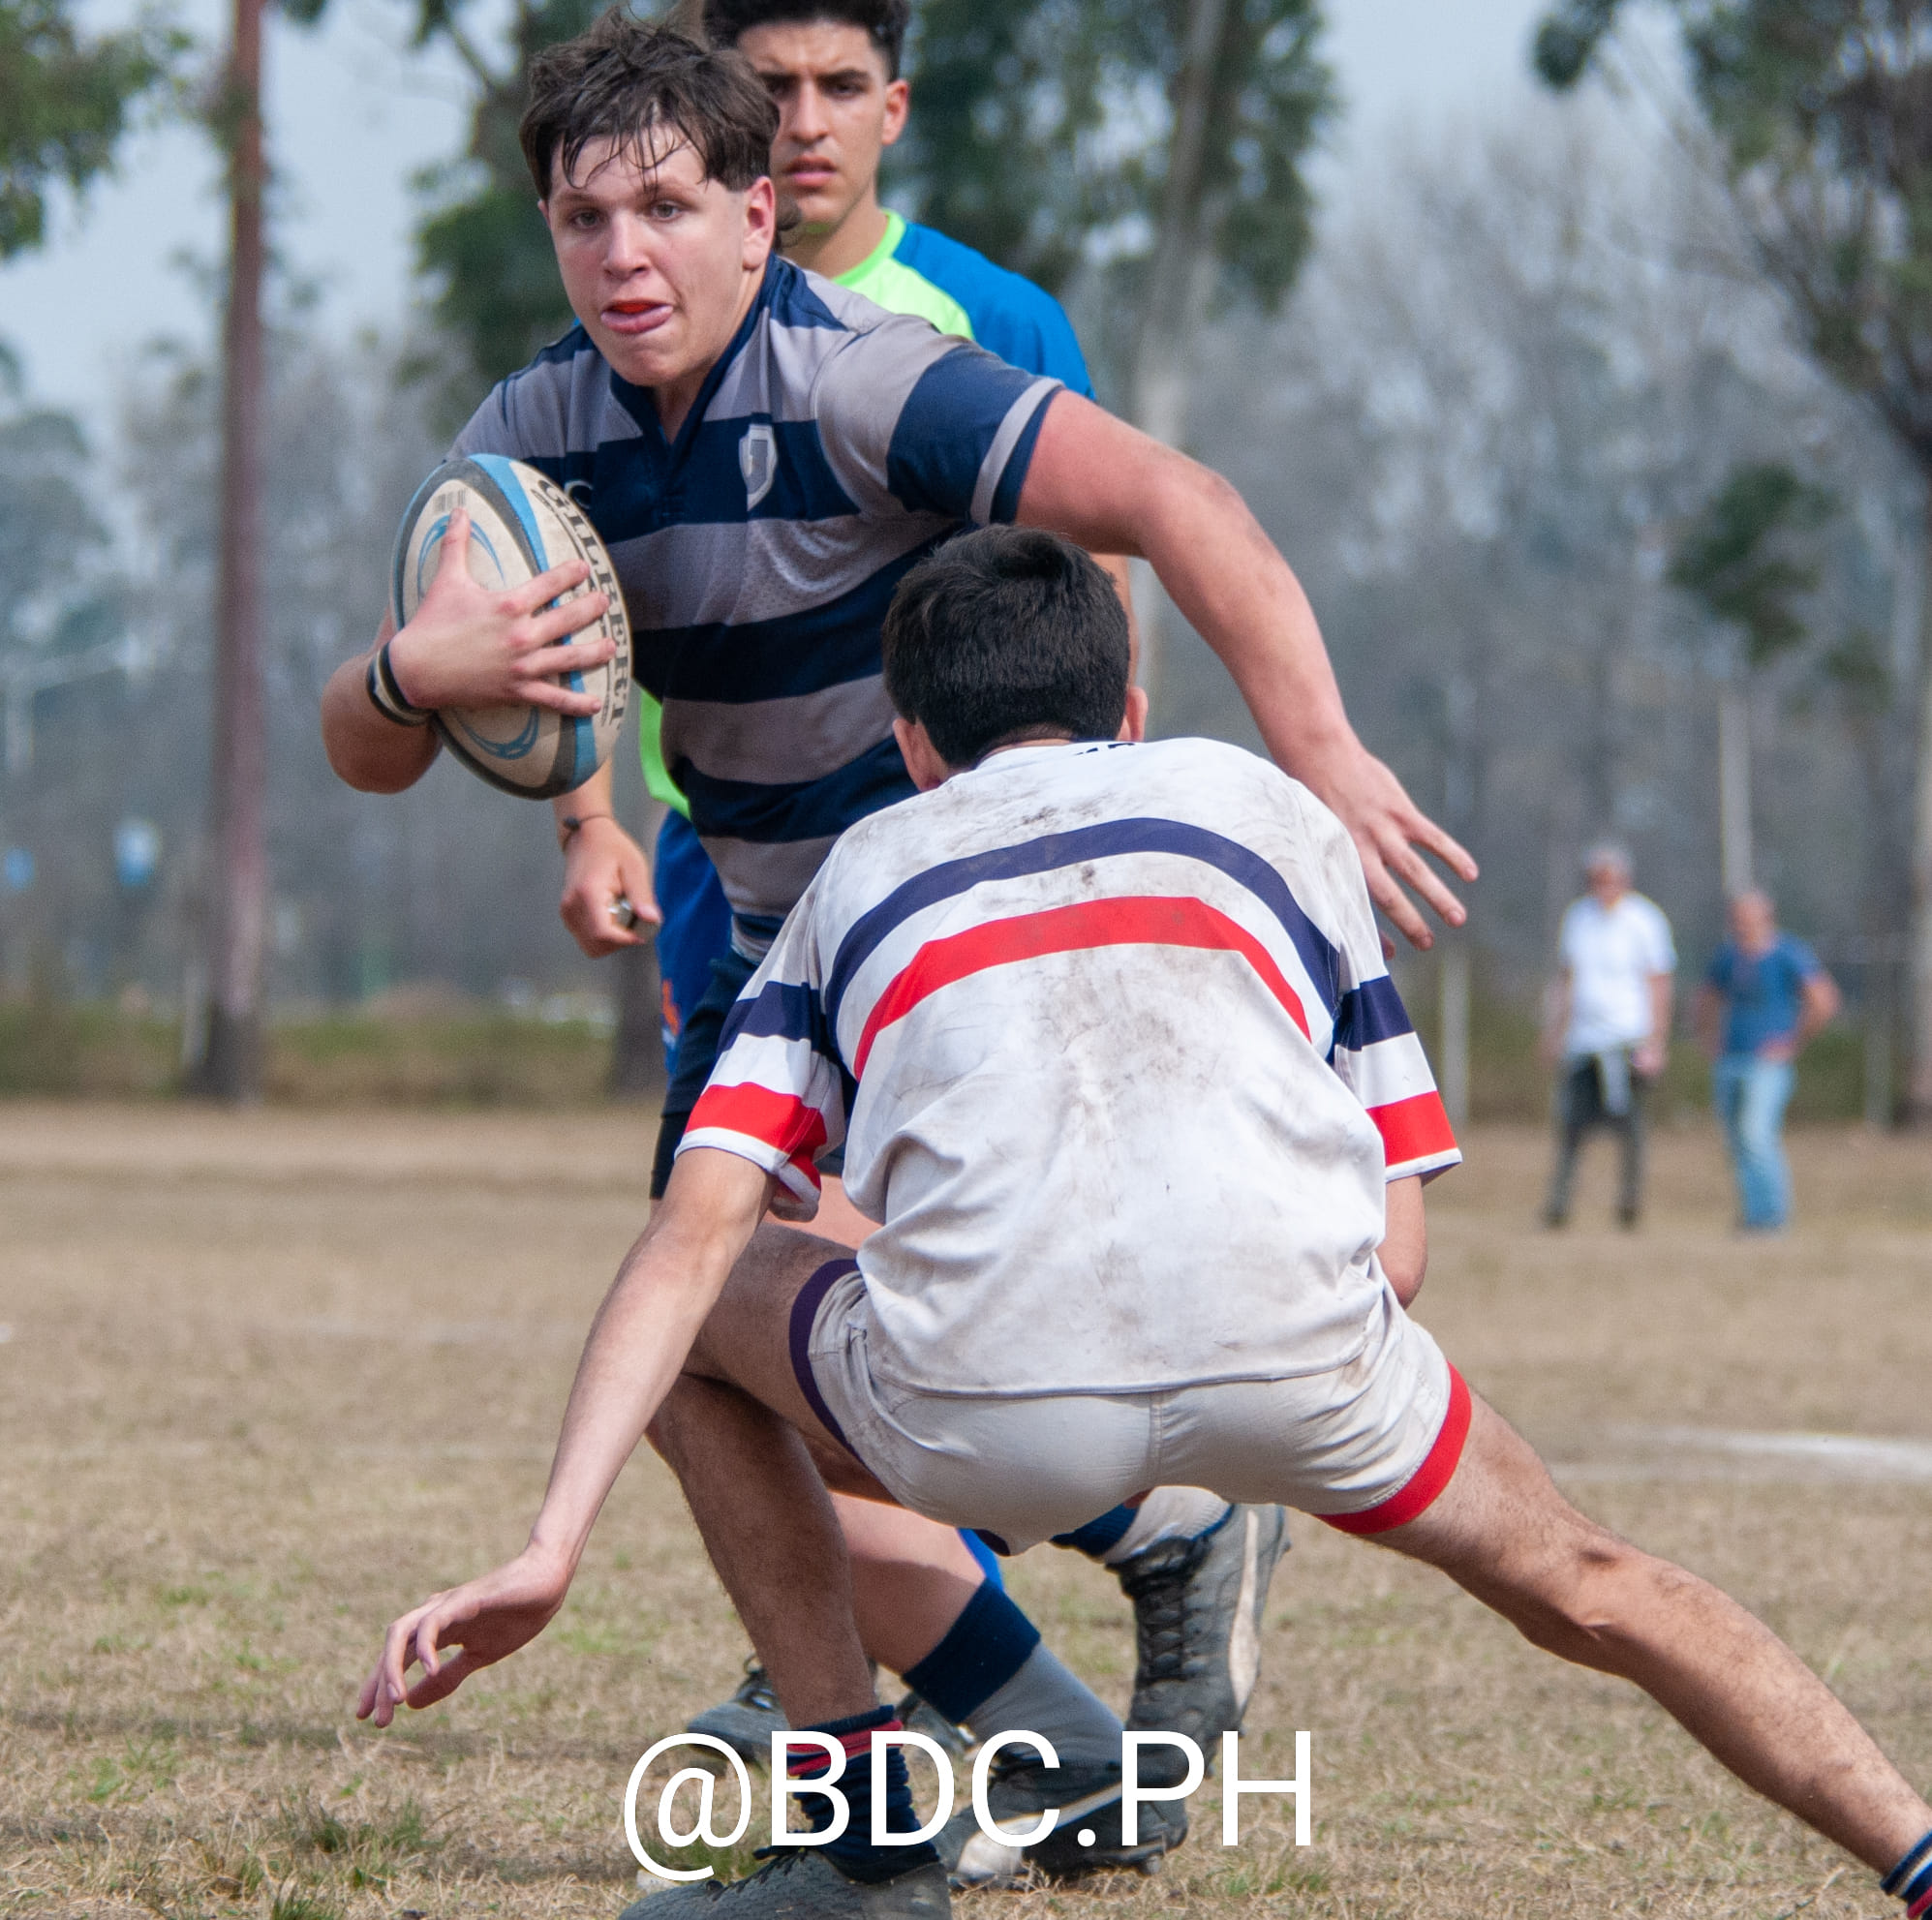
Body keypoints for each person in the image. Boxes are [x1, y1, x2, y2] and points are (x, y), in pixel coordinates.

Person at [358, 531, 1932, 1920]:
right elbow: (1399, 1246)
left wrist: (549, 1547)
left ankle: (864, 1842)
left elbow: (697, 1231)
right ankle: (1914, 1851)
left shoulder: (859, 875)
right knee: (1594, 1578)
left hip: (983, 1407)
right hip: (1306, 1363)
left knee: (704, 1324)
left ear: (911, 746)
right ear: (1127, 712)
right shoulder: (1270, 813)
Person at [319, 14, 1473, 1880]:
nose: (622, 255)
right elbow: (362, 751)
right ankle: (1049, 1704)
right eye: (581, 218)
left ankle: (916, 1775)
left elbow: (1184, 502)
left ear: (755, 215)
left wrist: (1322, 755)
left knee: (785, 1354)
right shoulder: (533, 437)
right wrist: (411, 672)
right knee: (731, 1402)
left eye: (667, 208)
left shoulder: (872, 384)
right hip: (774, 966)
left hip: (951, 968)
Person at [1541, 842, 1674, 1229]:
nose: (1604, 886)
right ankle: (1559, 1206)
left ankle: (1629, 1205)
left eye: (1611, 879)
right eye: (1597, 879)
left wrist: (1656, 1042)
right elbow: (1566, 980)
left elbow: (1659, 983)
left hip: (1627, 1039)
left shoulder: (1645, 920)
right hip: (1583, 1041)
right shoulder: (1578, 918)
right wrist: (1554, 1032)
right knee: (1571, 1126)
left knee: (1629, 1130)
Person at [1696, 889, 1840, 1234]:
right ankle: (1753, 1216)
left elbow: (1823, 1000)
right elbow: (1706, 998)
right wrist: (1707, 1038)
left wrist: (1792, 1041)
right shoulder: (1728, 956)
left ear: (1766, 917)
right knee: (1736, 1141)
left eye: (1748, 918)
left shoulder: (1788, 953)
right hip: (1730, 1058)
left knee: (1757, 1135)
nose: (1741, 925)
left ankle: (1774, 1218)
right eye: (1737, 919)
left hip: (1767, 1063)